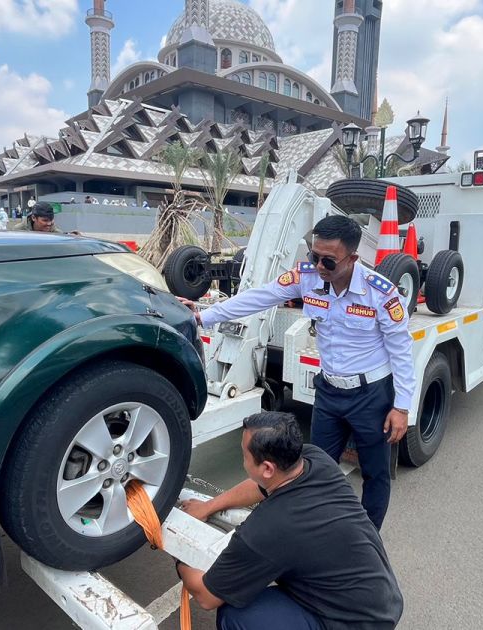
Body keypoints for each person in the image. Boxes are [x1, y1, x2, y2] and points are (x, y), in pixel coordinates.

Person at [183, 215, 414, 529]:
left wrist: (401, 407)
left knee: (375, 474)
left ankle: (368, 538)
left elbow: (401, 352)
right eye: (314, 256)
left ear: (353, 259)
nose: (319, 266)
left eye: (328, 261)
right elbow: (258, 297)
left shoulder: (381, 294)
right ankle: (315, 529)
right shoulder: (306, 277)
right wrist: (204, 317)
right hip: (329, 392)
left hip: (371, 396)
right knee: (312, 468)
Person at [177, 411, 404, 630]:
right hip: (384, 599)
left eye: (244, 456)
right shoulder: (315, 460)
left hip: (355, 623)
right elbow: (259, 486)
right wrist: (209, 506)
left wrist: (179, 551)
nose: (243, 462)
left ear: (267, 468)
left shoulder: (267, 529)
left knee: (236, 615)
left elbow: (206, 597)